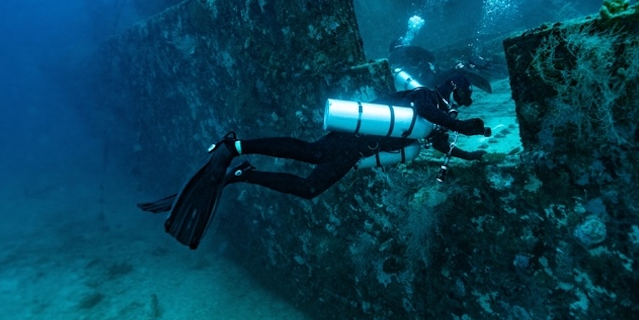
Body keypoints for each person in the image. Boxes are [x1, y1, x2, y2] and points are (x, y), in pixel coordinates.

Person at [139, 73, 490, 249]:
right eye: (466, 91)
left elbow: (441, 143)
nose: (468, 98)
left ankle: (245, 173)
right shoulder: (425, 96)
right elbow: (425, 110)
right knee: (312, 153)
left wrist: (469, 153)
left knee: (309, 187)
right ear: (454, 85)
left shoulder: (438, 119)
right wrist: (461, 125)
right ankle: (236, 146)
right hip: (353, 137)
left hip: (357, 151)